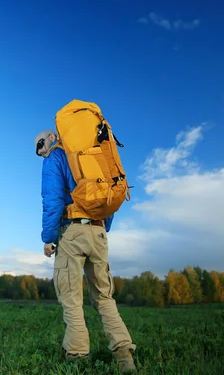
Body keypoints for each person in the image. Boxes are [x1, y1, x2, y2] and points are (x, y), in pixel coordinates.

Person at [34, 129, 137, 373]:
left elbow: (53, 199)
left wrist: (48, 238)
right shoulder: (94, 157)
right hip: (99, 232)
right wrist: (101, 228)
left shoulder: (56, 157)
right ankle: (124, 356)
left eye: (39, 143)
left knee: (71, 297)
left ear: (52, 137)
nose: (39, 151)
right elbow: (107, 196)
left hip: (72, 232)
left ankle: (77, 358)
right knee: (104, 297)